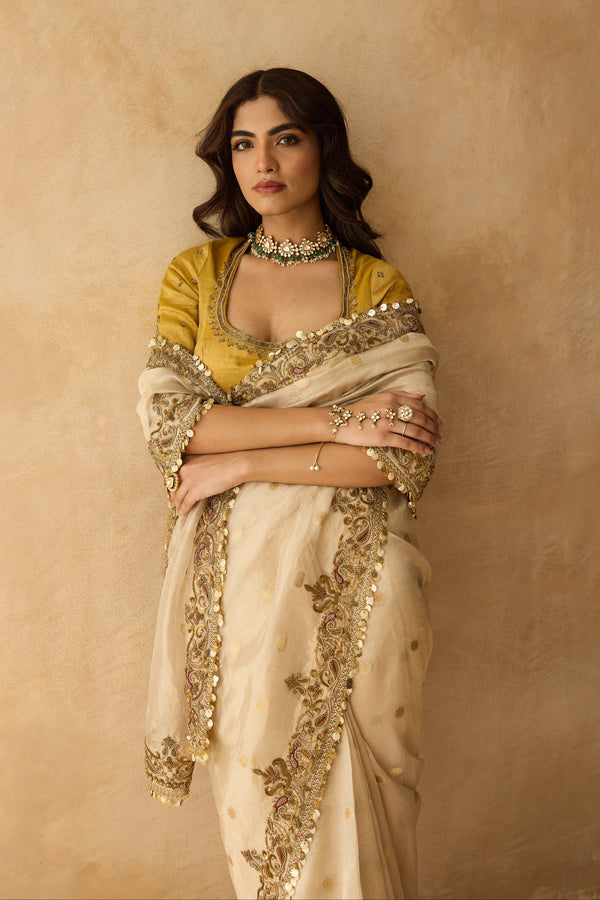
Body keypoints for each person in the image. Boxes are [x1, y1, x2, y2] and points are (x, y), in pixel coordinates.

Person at [137, 67, 441, 900]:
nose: (262, 162)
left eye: (286, 138)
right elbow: (174, 428)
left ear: (323, 149)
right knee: (258, 800)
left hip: (365, 579)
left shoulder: (376, 286)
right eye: (243, 144)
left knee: (370, 813)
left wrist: (240, 460)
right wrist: (338, 421)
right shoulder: (197, 276)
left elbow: (398, 457)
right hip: (235, 582)